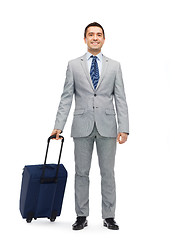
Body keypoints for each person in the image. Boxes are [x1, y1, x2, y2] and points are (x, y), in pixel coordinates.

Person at [51, 22, 129, 230]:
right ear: (84, 39)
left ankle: (109, 215)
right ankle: (81, 215)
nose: (95, 38)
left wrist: (124, 127)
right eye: (91, 35)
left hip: (107, 126)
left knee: (108, 173)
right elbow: (66, 97)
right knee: (81, 172)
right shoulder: (73, 65)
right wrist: (58, 125)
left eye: (99, 35)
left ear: (104, 39)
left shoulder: (114, 66)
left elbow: (120, 98)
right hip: (82, 125)